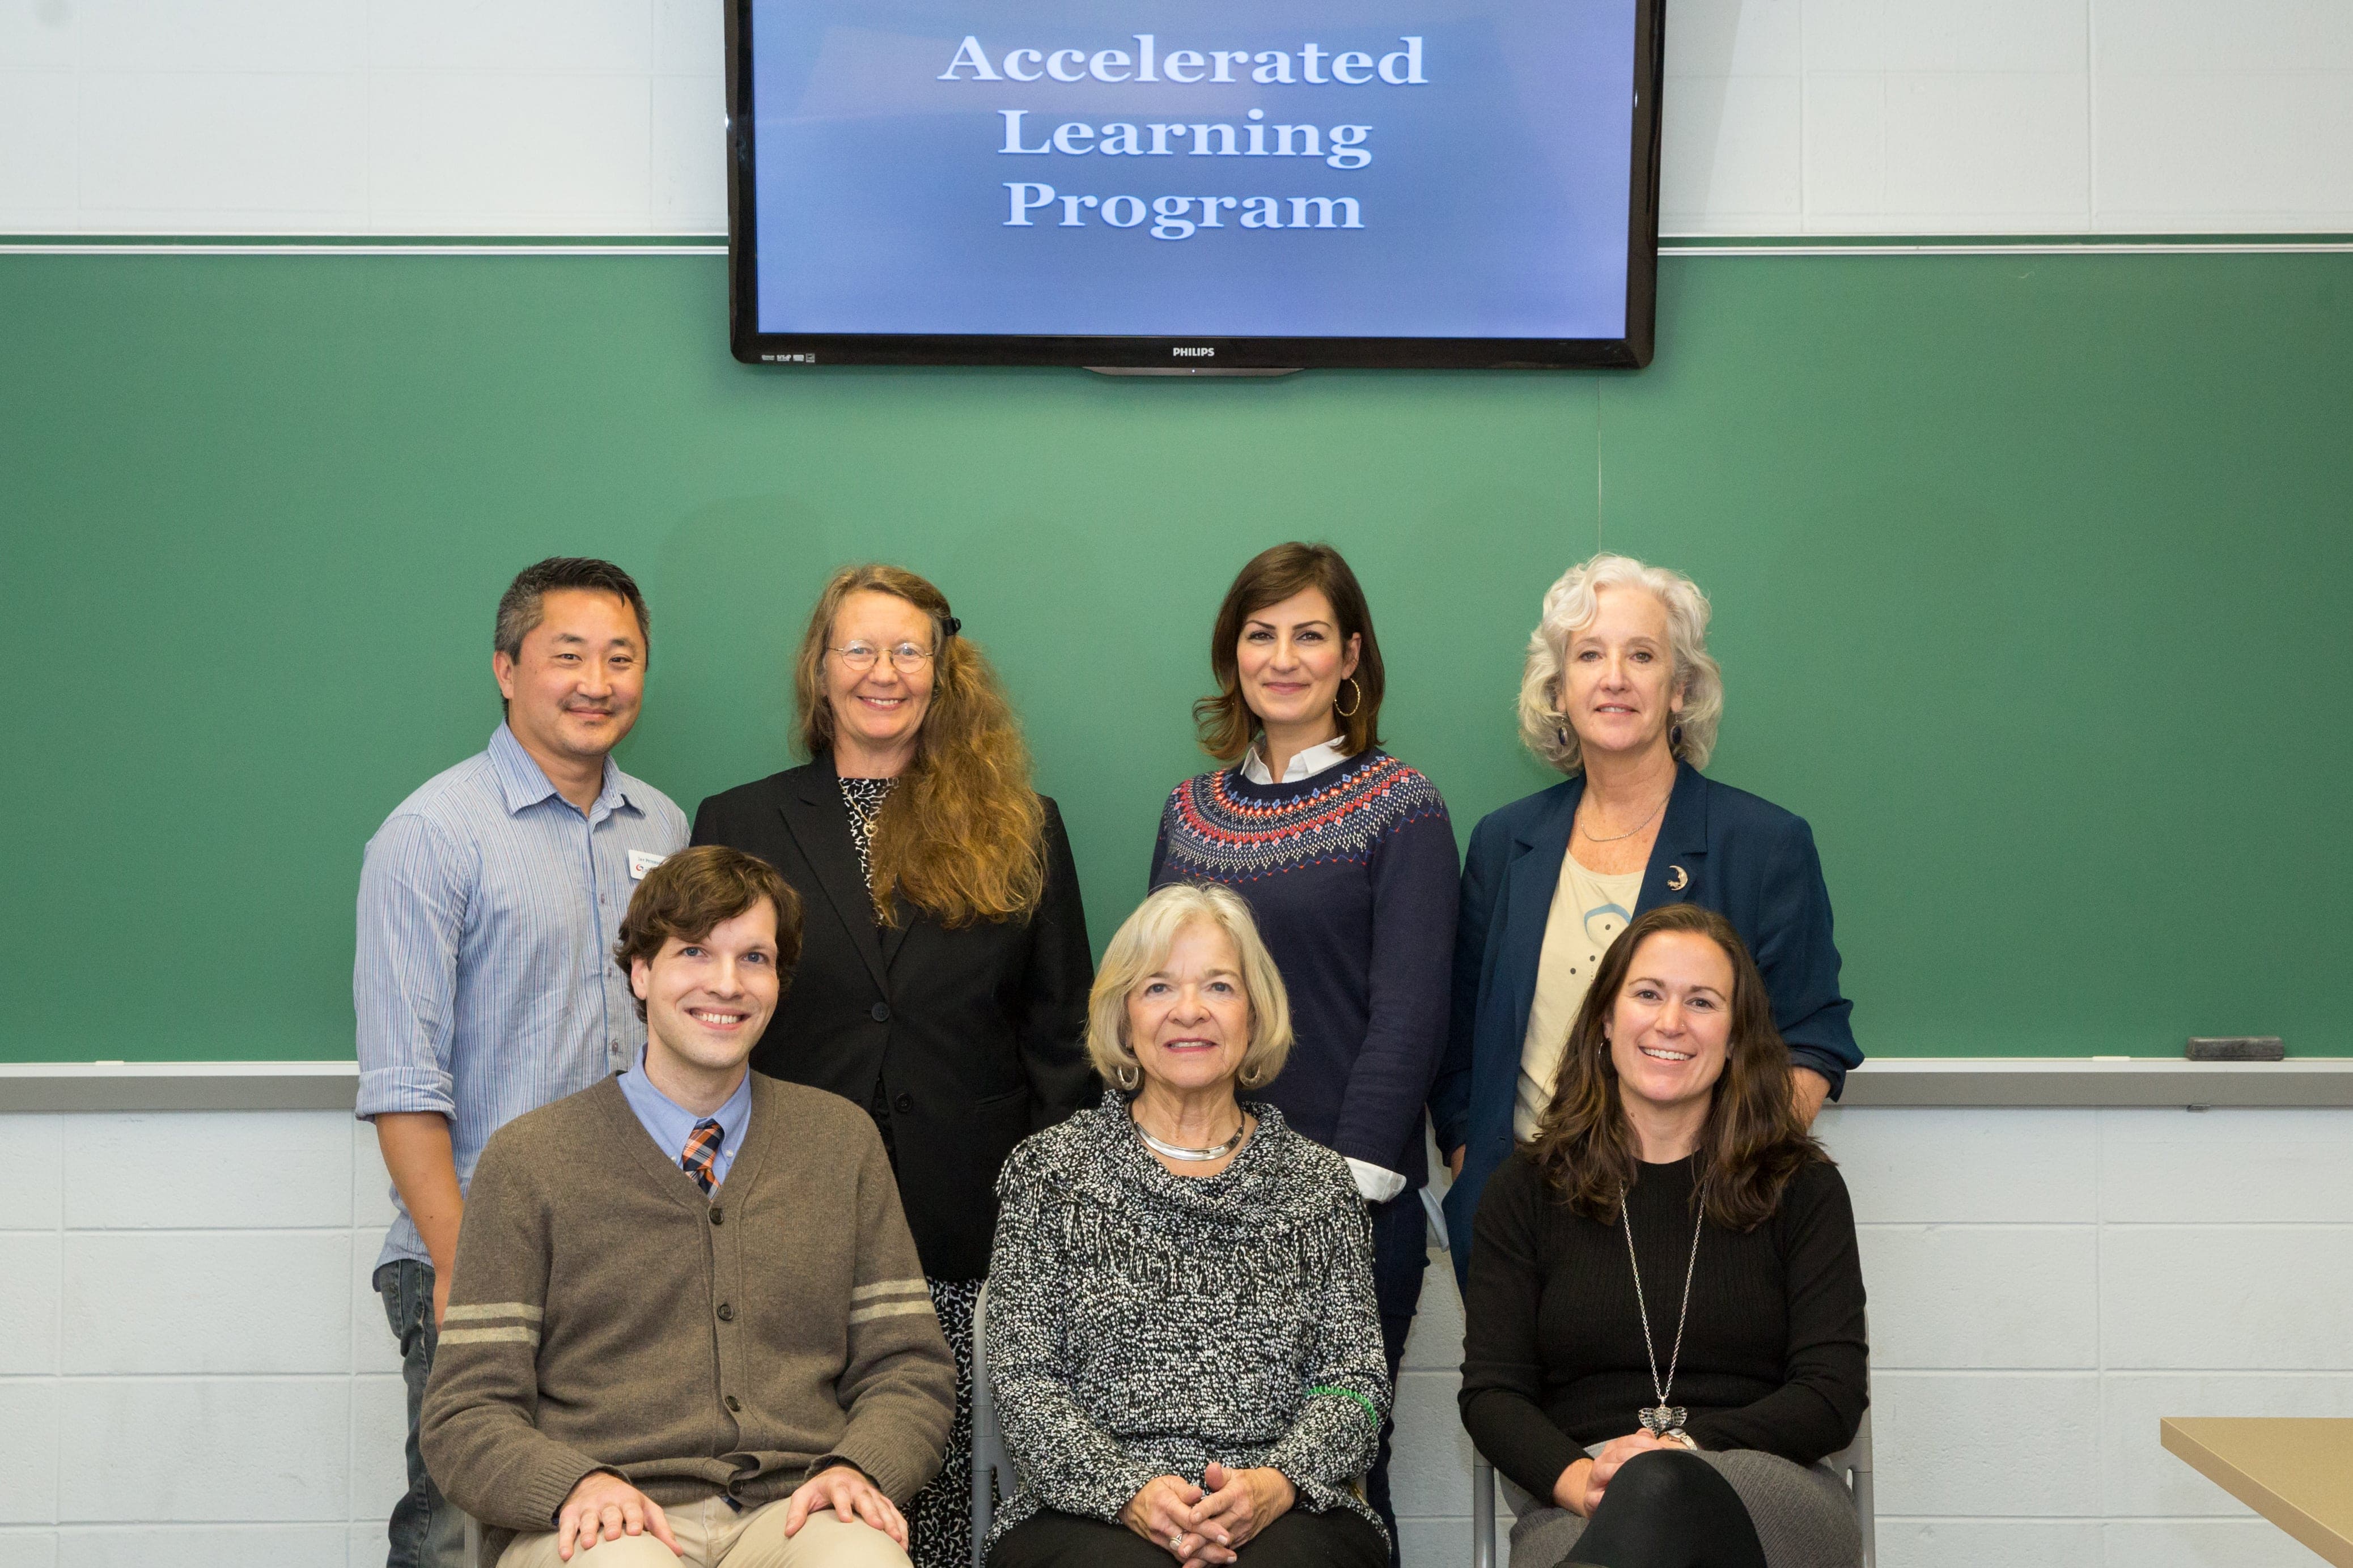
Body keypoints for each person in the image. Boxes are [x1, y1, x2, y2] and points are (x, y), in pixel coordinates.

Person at [692, 564, 1096, 1568]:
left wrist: (1037, 1216)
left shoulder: (1023, 824)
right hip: (784, 1214)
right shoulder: (738, 821)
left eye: (909, 649)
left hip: (968, 1224)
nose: (885, 671)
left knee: (947, 1493)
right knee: (807, 1506)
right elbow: (706, 1024)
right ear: (819, 671)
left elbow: (1062, 1038)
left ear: (942, 669)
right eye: (859, 648)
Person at [420, 844, 957, 1568]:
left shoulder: (839, 1143)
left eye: (754, 959)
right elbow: (465, 1411)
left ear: (779, 981)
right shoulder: (530, 1160)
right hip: (605, 1521)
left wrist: (860, 1467)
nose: (726, 984)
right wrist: (573, 1483)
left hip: (793, 1511)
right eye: (695, 953)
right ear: (641, 973)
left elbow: (909, 1370)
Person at [357, 556, 688, 1568]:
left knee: (603, 1529)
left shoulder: (666, 831)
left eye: (621, 656)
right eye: (568, 655)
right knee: (457, 1529)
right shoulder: (432, 834)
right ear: (507, 668)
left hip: (631, 1260)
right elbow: (403, 1082)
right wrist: (463, 1262)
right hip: (478, 1255)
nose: (597, 680)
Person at [1431, 553, 1860, 1286]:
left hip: (1696, 1226)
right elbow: (1463, 1044)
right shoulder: (1505, 844)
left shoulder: (1762, 844)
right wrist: (1477, 1168)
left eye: (1641, 654)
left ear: (1679, 688)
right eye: (1588, 655)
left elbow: (1809, 1042)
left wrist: (1728, 1177)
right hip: (1522, 1228)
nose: (1613, 677)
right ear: (1557, 688)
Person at [1146, 542, 1456, 1557]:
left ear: (1351, 655)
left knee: (1335, 1480)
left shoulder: (1402, 807)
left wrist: (1333, 1195)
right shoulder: (1190, 814)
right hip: (1194, 1202)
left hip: (1347, 1209)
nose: (1283, 657)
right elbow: (1161, 1004)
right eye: (1260, 633)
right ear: (1232, 654)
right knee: (1203, 1484)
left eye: (1310, 634)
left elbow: (1409, 1016)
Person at [985, 882, 1392, 1568]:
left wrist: (1276, 1481)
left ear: (1255, 1012)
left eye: (1219, 987)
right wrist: (1127, 1491)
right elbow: (1025, 1379)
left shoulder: (1318, 1185)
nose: (1190, 1011)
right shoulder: (1049, 1174)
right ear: (1123, 1015)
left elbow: (1352, 1381)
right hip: (1087, 1511)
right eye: (1158, 988)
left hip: (1284, 1509)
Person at [1458, 904, 1868, 1568]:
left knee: (1657, 1493)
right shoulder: (1523, 1190)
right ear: (1604, 1020)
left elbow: (1830, 1392)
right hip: (1585, 1493)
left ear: (1735, 1037)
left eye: (1701, 1002)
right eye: (1647, 994)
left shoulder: (1802, 1188)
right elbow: (1493, 1393)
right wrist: (1581, 1483)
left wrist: (1678, 1453)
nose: (1670, 1022)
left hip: (1766, 1487)